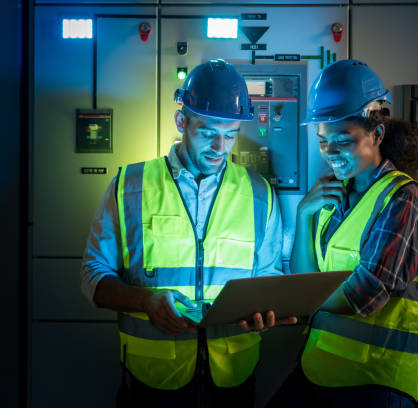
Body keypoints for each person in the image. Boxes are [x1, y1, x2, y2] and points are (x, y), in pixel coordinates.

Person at [80, 59, 295, 408]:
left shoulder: (259, 194)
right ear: (182, 121)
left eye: (230, 135)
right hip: (152, 378)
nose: (220, 147)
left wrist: (265, 312)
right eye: (208, 133)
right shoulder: (130, 186)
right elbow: (92, 279)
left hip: (233, 377)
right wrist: (145, 302)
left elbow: (269, 275)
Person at [269, 60, 418, 407]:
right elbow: (306, 276)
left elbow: (363, 296)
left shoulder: (401, 199)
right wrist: (305, 215)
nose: (330, 153)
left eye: (342, 141)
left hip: (376, 384)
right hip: (321, 370)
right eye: (322, 142)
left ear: (376, 134)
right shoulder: (334, 195)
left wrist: (292, 299)